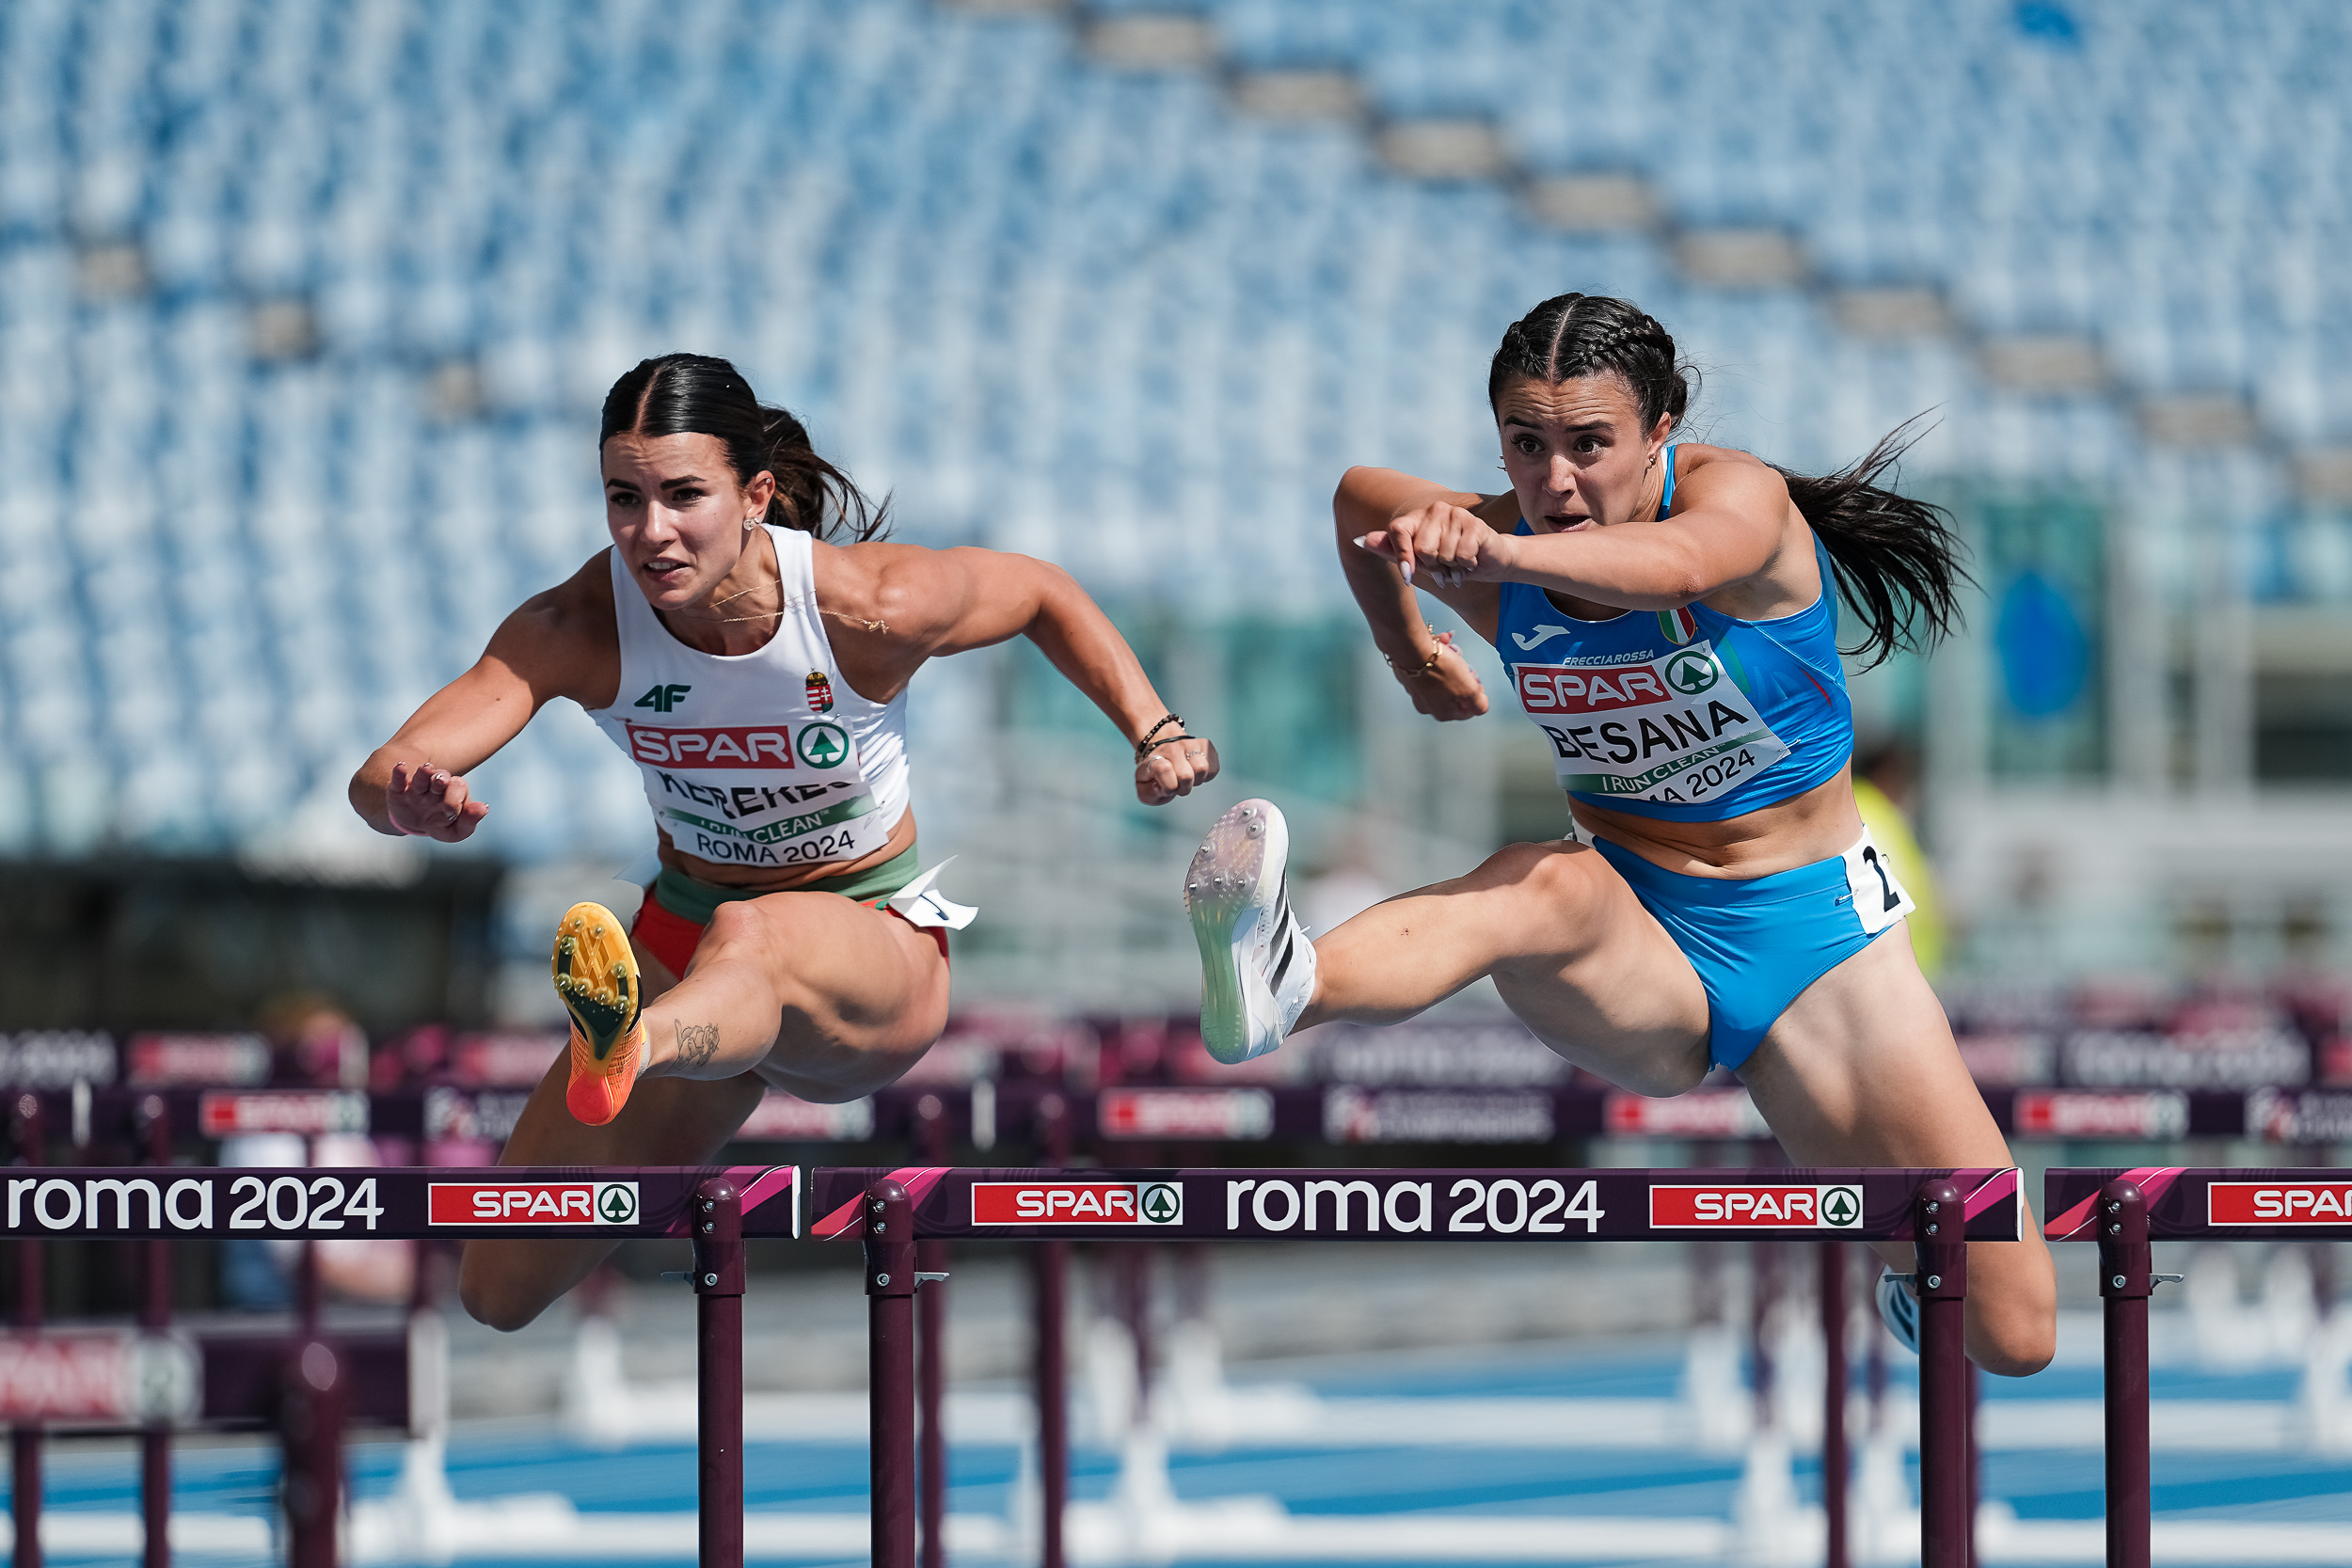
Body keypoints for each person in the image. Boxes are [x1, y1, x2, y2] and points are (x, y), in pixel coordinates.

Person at [1184, 294, 2053, 1375]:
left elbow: (1679, 567)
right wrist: (1412, 655)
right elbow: (1357, 500)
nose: (1554, 480)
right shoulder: (1494, 535)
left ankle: (1899, 1276)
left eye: (1589, 444)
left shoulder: (1738, 501)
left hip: (1819, 943)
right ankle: (1288, 979)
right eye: (1524, 443)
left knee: (2014, 1332)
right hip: (1636, 930)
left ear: (1660, 431)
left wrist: (1495, 560)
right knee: (1535, 883)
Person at [352, 354, 1216, 1329]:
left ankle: (633, 1040)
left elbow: (1041, 591)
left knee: (753, 934)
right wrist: (405, 801)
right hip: (686, 941)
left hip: (870, 944)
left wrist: (1155, 729)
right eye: (623, 498)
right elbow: (385, 770)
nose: (650, 531)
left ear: (756, 496)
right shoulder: (579, 624)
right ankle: (643, 1036)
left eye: (684, 496)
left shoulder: (865, 605)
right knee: (497, 1286)